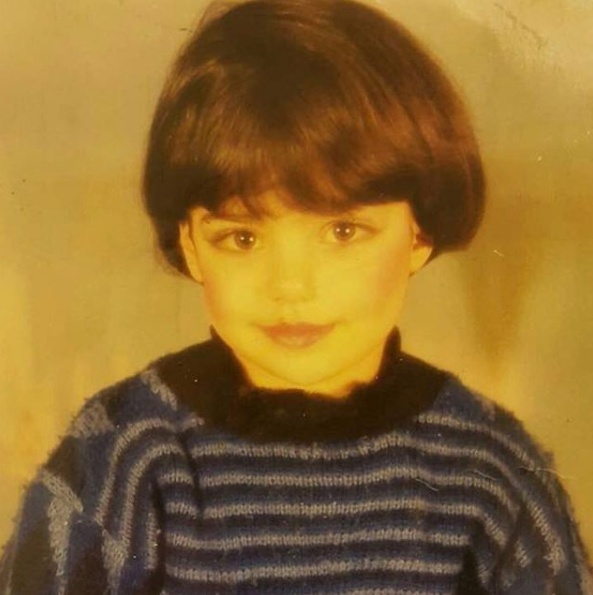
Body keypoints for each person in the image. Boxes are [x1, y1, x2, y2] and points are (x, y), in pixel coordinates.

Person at [1, 0, 591, 592]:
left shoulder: (490, 470)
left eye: (343, 232)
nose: (290, 286)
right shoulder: (124, 453)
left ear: (419, 234)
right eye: (243, 237)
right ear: (190, 244)